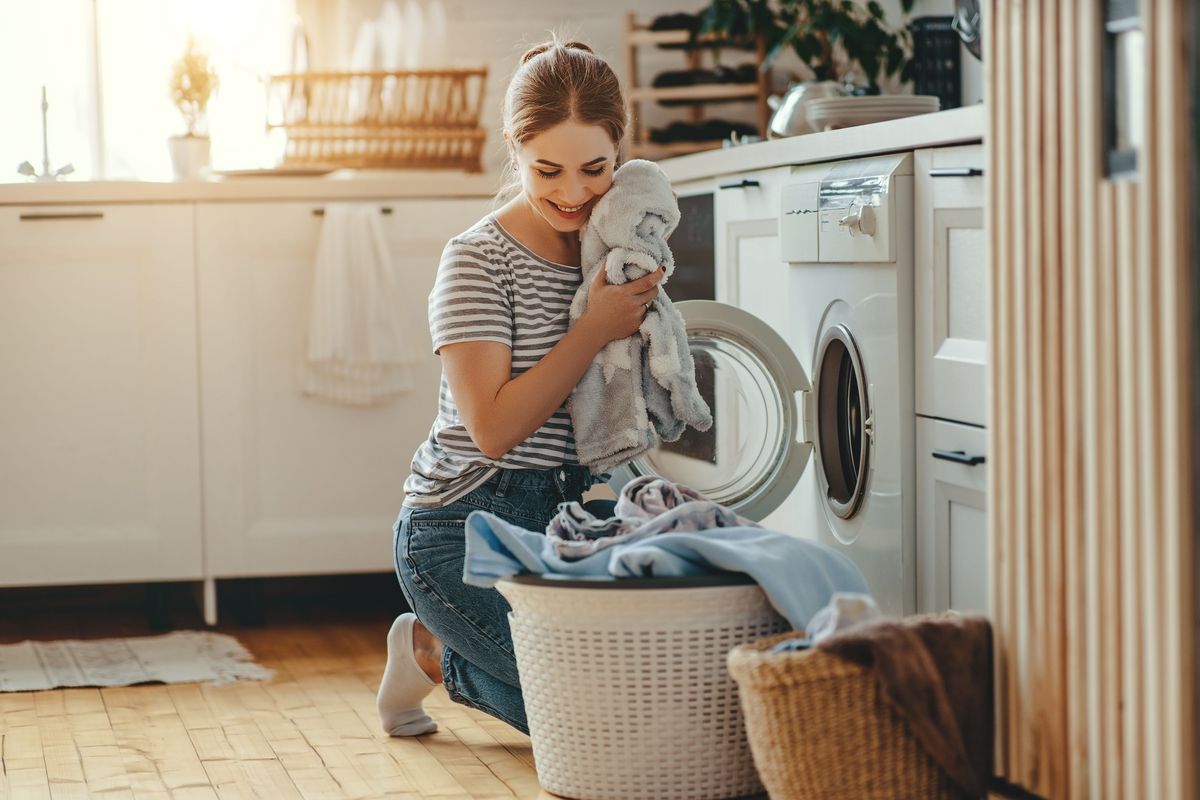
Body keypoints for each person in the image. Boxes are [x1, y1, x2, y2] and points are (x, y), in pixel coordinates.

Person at [375, 38, 667, 736]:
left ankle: (447, 649)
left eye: (594, 169)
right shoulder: (477, 261)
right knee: (601, 728)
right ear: (513, 149)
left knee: (653, 695)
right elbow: (495, 431)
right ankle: (430, 648)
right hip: (460, 527)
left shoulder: (616, 250)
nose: (573, 193)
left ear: (620, 152)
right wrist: (592, 329)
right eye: (547, 170)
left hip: (567, 517)